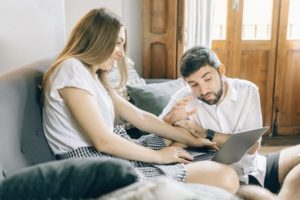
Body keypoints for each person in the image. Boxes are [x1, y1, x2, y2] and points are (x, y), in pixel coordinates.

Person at [41, 8, 240, 194]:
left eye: (122, 44)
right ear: (97, 38)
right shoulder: (71, 68)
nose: (121, 53)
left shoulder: (93, 76)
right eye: (117, 42)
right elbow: (102, 141)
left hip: (110, 154)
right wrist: (160, 156)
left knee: (184, 139)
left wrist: (191, 139)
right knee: (226, 177)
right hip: (94, 164)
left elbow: (140, 117)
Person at [160, 45, 300, 199]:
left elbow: (252, 147)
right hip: (226, 179)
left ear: (221, 71)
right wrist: (170, 119)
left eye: (207, 79)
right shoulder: (182, 99)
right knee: (263, 197)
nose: (203, 90)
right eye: (194, 85)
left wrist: (205, 133)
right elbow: (154, 136)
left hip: (257, 165)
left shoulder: (247, 91)